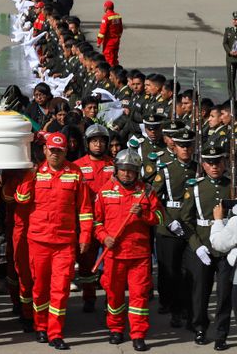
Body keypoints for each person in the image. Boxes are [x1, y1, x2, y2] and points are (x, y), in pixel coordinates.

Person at [14, 132, 92, 350]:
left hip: (64, 242)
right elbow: (21, 199)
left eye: (59, 151)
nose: (55, 154)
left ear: (66, 151)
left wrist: (85, 235)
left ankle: (55, 331)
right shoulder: (36, 172)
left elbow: (85, 209)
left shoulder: (75, 173)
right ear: (45, 150)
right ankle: (40, 326)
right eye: (52, 150)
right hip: (38, 240)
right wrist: (29, 176)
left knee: (60, 288)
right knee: (40, 288)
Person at [93, 149, 162, 352]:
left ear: (137, 171)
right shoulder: (105, 191)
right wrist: (104, 237)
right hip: (114, 254)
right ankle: (115, 329)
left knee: (139, 296)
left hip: (139, 254)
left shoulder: (147, 192)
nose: (127, 174)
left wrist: (143, 214)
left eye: (131, 170)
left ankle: (138, 334)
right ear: (117, 169)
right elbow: (97, 222)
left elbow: (159, 217)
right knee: (113, 295)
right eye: (123, 170)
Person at [182, 145, 233, 350]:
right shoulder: (195, 187)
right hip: (203, 245)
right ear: (203, 164)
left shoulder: (231, 186)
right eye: (210, 163)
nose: (214, 166)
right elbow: (186, 220)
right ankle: (200, 327)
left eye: (218, 162)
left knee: (224, 294)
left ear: (224, 163)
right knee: (200, 292)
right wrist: (196, 246)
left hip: (226, 249)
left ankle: (221, 333)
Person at [152, 129, 196, 327]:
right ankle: (174, 309)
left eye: (188, 146)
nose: (185, 149)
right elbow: (154, 199)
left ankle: (188, 309)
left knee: (190, 272)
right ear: (175, 147)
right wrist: (168, 220)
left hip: (192, 228)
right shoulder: (166, 170)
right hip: (168, 229)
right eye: (181, 146)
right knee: (171, 271)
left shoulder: (199, 169)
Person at [73, 124, 113, 312]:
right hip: (86, 223)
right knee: (86, 264)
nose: (98, 144)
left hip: (108, 224)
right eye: (94, 141)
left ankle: (110, 302)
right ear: (87, 143)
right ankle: (88, 297)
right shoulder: (77, 167)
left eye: (102, 141)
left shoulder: (115, 167)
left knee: (111, 265)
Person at [97, 0, 123, 67]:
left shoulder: (106, 17)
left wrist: (99, 42)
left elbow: (102, 31)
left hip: (109, 41)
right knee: (115, 57)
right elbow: (121, 28)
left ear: (106, 7)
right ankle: (116, 70)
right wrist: (118, 37)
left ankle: (111, 73)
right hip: (116, 40)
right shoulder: (118, 16)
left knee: (108, 58)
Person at [223, 11, 237, 100]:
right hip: (231, 59)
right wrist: (230, 52)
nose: (235, 21)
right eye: (234, 19)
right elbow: (225, 43)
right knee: (231, 80)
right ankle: (232, 99)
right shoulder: (228, 31)